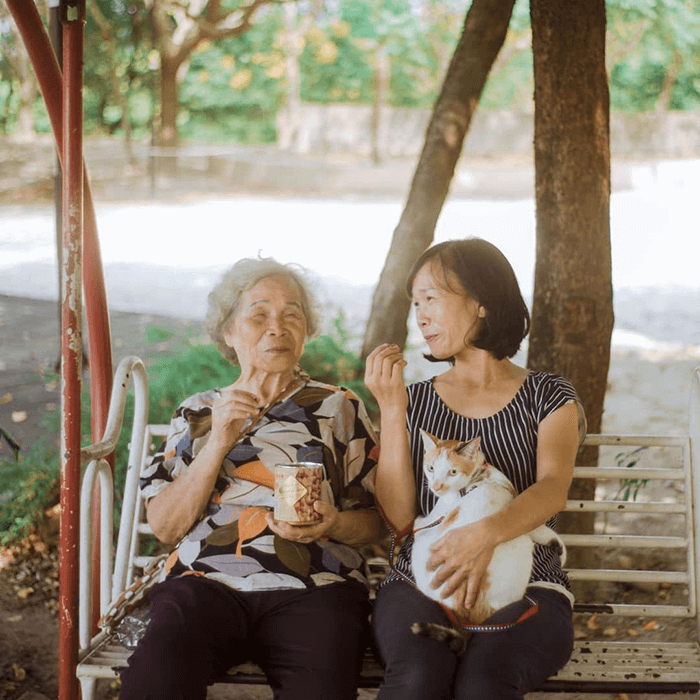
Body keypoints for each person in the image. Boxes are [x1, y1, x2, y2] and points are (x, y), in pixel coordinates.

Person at [120, 257, 384, 700]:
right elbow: (165, 527)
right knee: (156, 679)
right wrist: (219, 440)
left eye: (292, 315)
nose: (276, 327)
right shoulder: (198, 411)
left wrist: (334, 524)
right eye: (258, 315)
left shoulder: (339, 407)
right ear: (228, 332)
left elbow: (382, 520)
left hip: (315, 586)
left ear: (305, 329)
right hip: (205, 583)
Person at [364, 238, 586, 700]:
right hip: (422, 580)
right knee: (417, 682)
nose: (420, 316)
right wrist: (390, 408)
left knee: (484, 686)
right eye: (415, 303)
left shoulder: (549, 396)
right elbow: (400, 516)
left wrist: (483, 536)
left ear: (482, 302)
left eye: (432, 298)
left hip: (528, 583)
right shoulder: (415, 401)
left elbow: (552, 489)